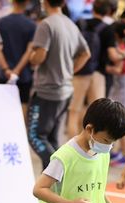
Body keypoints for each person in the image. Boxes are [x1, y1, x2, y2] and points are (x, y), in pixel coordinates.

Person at [26, 0, 90, 169]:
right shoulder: (70, 24)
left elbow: (39, 56)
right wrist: (69, 71)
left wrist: (31, 56)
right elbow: (85, 53)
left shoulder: (46, 25)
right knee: (53, 138)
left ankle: (56, 170)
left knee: (36, 136)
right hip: (65, 90)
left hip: (47, 90)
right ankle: (54, 185)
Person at [66, 0, 117, 139]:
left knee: (74, 112)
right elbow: (112, 54)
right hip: (98, 74)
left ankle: (72, 147)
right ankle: (92, 147)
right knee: (97, 114)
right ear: (107, 12)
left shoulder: (80, 23)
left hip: (80, 70)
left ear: (92, 8)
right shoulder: (108, 29)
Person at [0, 0, 36, 115]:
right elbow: (29, 50)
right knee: (22, 111)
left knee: (2, 110)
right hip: (24, 75)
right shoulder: (31, 25)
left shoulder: (1, 23)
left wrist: (6, 69)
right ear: (27, 2)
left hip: (4, 75)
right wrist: (17, 71)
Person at [108, 21, 125, 161]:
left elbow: (118, 69)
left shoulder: (119, 48)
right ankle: (119, 151)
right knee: (119, 118)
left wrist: (106, 68)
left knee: (120, 119)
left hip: (122, 84)